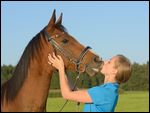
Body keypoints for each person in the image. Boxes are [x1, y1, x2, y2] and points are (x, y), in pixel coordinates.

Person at [48, 52, 132, 112]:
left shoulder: (104, 92)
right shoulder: (108, 91)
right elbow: (74, 92)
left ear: (115, 71)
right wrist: (65, 70)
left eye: (109, 62)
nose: (105, 62)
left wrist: (60, 68)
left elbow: (67, 94)